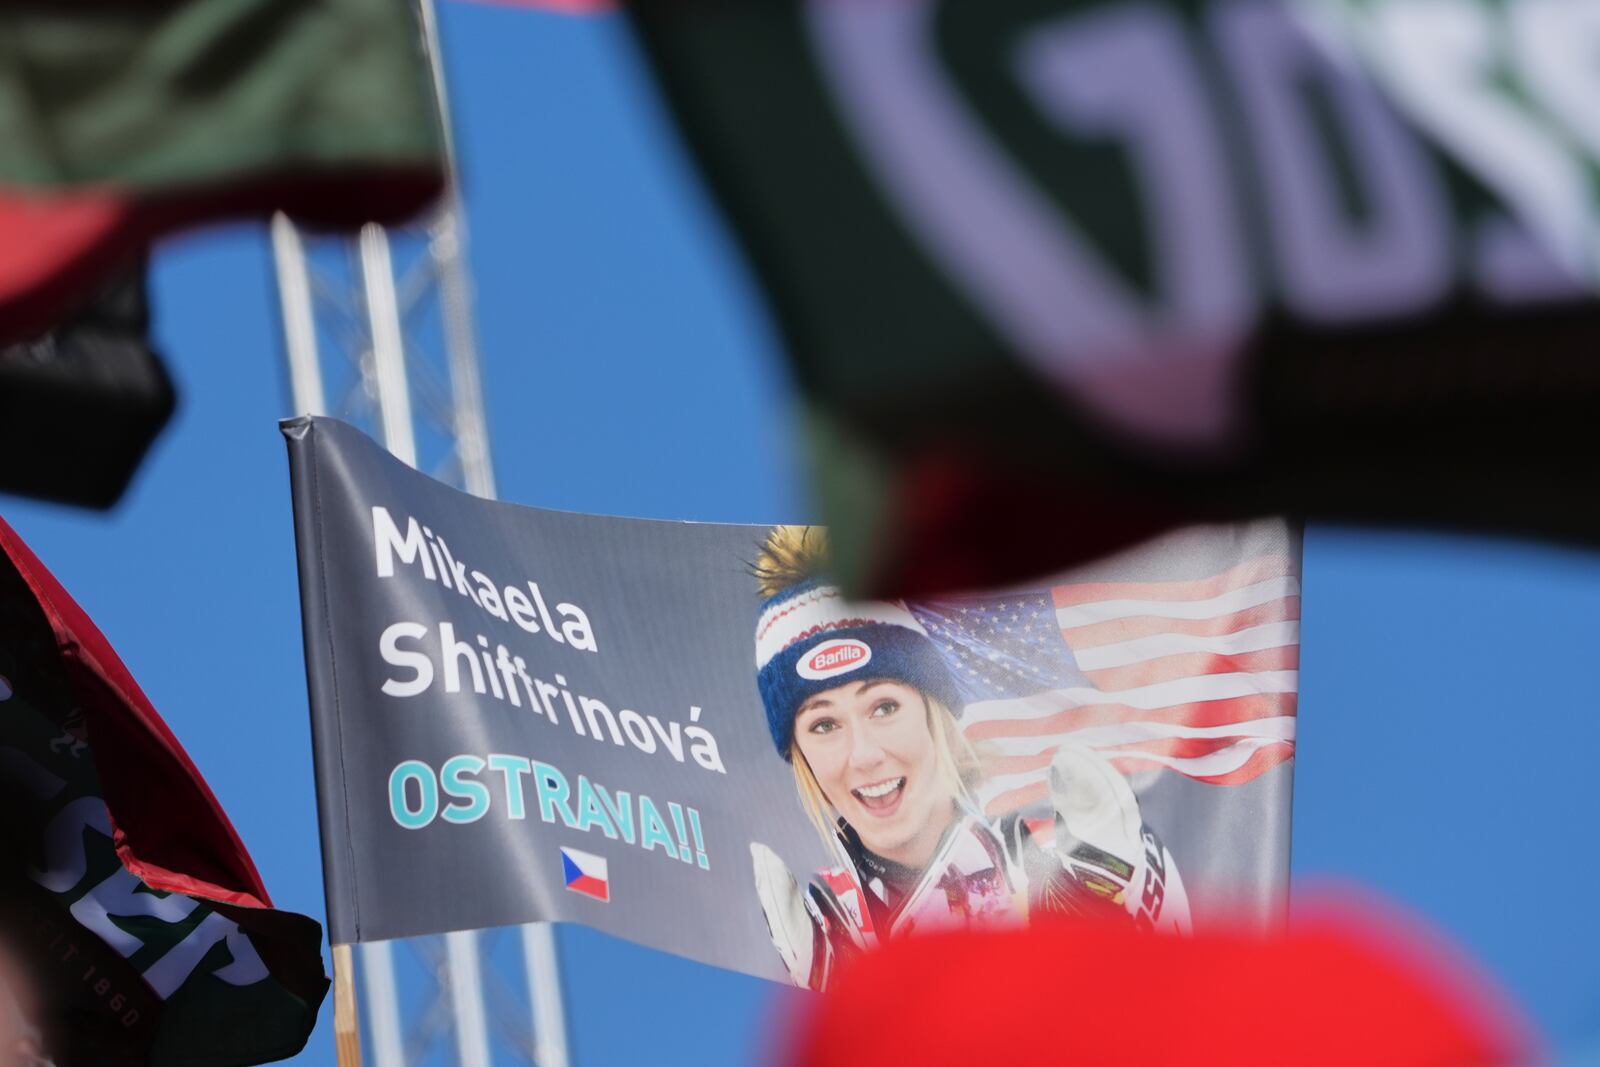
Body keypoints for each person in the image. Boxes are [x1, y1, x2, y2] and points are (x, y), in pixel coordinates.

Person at [748, 526, 1190, 991]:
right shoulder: (822, 925)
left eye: (884, 707)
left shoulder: (1071, 850)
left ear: (933, 713)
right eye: (824, 725)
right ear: (799, 755)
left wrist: (1110, 911)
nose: (864, 755)